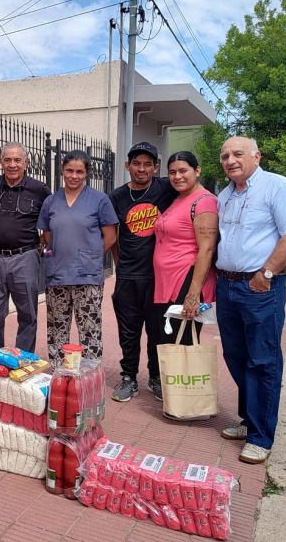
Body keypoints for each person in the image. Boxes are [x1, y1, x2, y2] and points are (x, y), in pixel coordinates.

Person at [215, 136, 286, 464]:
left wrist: (265, 274)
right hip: (227, 287)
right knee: (236, 356)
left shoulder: (277, 187)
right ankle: (249, 419)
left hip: (259, 288)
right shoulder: (225, 195)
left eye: (237, 153)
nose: (230, 160)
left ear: (256, 156)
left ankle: (261, 435)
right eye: (225, 155)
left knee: (263, 360)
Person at [109, 142, 178, 403]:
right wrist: (121, 264)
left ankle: (156, 377)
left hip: (159, 276)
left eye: (147, 164)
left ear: (156, 167)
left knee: (159, 330)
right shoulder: (117, 197)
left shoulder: (165, 188)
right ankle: (129, 377)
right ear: (127, 166)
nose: (141, 168)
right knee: (129, 331)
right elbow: (112, 235)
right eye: (136, 163)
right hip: (128, 276)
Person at [37, 149, 117, 367]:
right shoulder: (51, 201)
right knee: (57, 328)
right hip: (58, 275)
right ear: (62, 170)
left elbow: (110, 237)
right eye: (69, 170)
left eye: (79, 171)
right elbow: (47, 235)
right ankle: (59, 375)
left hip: (87, 277)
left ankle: (89, 377)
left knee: (90, 329)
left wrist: (89, 258)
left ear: (87, 174)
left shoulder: (99, 200)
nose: (74, 176)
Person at [0, 143, 50, 353]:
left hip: (25, 257)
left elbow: (50, 220)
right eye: (7, 160)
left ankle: (23, 360)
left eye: (17, 160)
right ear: (1, 162)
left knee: (28, 313)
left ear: (26, 163)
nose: (12, 165)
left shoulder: (40, 190)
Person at [151, 150, 218, 356]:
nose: (177, 176)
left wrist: (193, 294)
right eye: (172, 172)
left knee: (182, 343)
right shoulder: (178, 198)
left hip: (185, 280)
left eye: (183, 171)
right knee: (168, 340)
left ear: (197, 170)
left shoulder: (204, 201)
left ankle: (183, 388)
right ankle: (170, 387)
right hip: (167, 280)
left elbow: (207, 248)